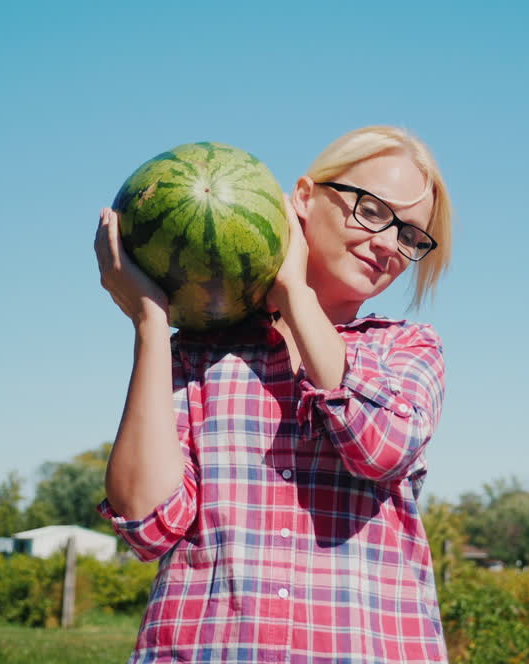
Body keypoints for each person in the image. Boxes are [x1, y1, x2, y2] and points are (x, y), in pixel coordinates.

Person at [92, 125, 453, 663]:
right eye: (373, 212)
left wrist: (295, 292)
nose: (387, 244)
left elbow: (381, 447)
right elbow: (149, 521)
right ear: (304, 198)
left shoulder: (406, 351)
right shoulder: (200, 353)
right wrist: (150, 322)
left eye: (409, 235)